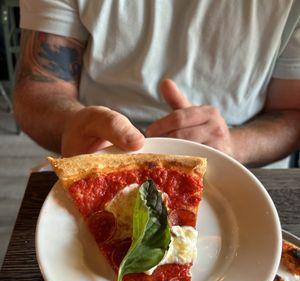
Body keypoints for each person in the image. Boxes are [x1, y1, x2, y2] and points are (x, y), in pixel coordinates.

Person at [14, 0, 300, 166]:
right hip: (96, 154)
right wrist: (71, 123)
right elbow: (39, 86)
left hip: (241, 163)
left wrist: (233, 146)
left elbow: (292, 112)